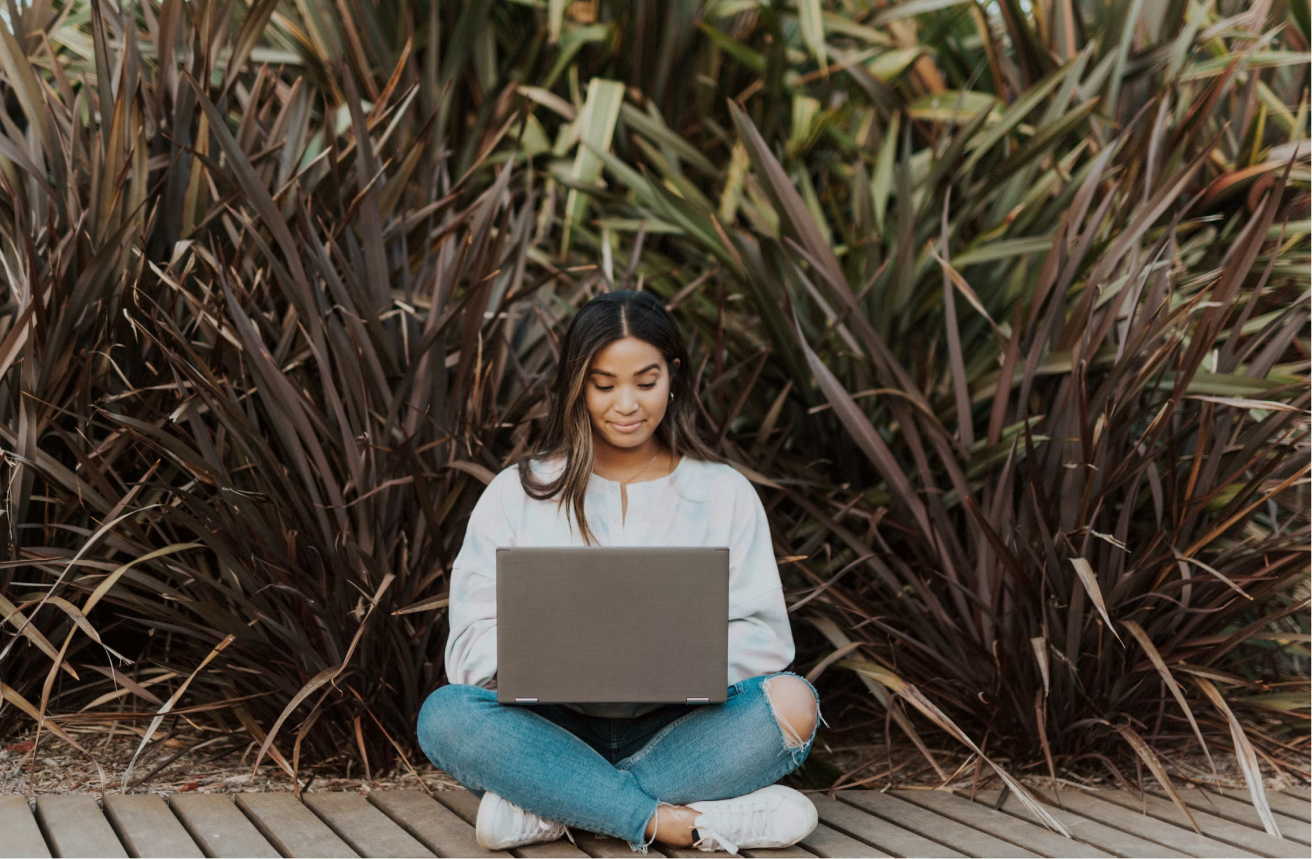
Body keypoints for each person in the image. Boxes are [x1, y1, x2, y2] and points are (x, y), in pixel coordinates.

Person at [416, 290, 828, 855]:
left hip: (679, 732)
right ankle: (673, 821)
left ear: (673, 375)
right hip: (550, 728)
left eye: (646, 381)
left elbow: (765, 639)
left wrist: (668, 659)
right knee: (445, 716)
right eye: (604, 385)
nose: (627, 404)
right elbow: (469, 644)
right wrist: (564, 659)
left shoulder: (723, 492)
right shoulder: (517, 493)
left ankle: (556, 806)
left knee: (794, 702)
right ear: (576, 384)